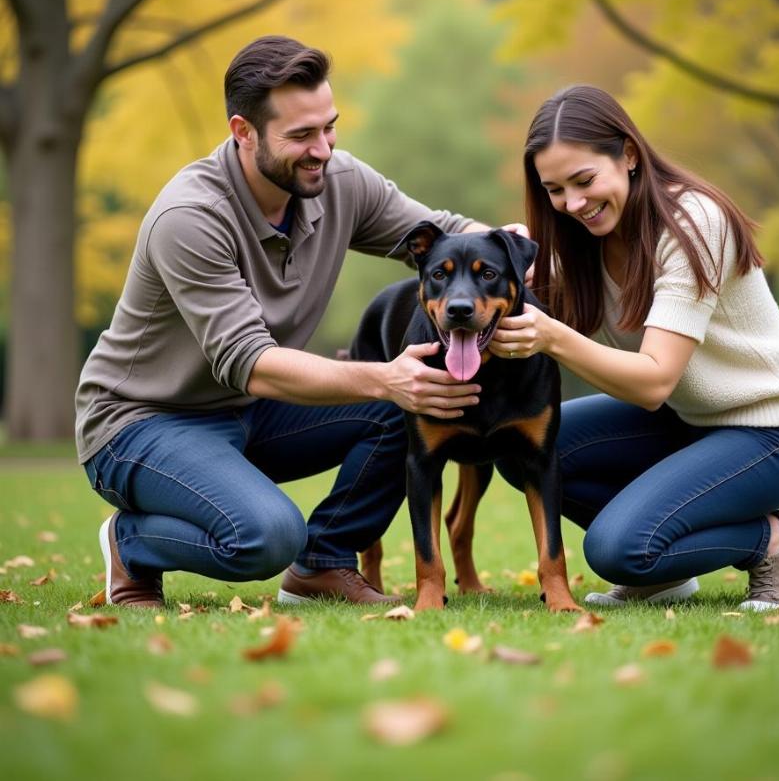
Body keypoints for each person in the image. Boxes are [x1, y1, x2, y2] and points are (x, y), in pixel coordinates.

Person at [75, 35, 502, 608]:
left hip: (247, 414)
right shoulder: (190, 217)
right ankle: (131, 542)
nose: (323, 149)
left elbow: (447, 228)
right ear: (243, 132)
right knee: (266, 536)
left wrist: (518, 247)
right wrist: (383, 377)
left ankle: (324, 562)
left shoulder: (338, 180)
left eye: (329, 126)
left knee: (407, 402)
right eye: (301, 135)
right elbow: (249, 363)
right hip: (142, 422)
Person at [489, 85, 779, 611]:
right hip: (687, 420)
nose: (574, 204)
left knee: (618, 549)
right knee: (521, 446)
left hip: (774, 431)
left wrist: (553, 337)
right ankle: (665, 564)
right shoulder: (584, 238)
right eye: (555, 190)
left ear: (627, 154)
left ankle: (772, 541)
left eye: (584, 180)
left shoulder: (694, 223)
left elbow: (653, 381)